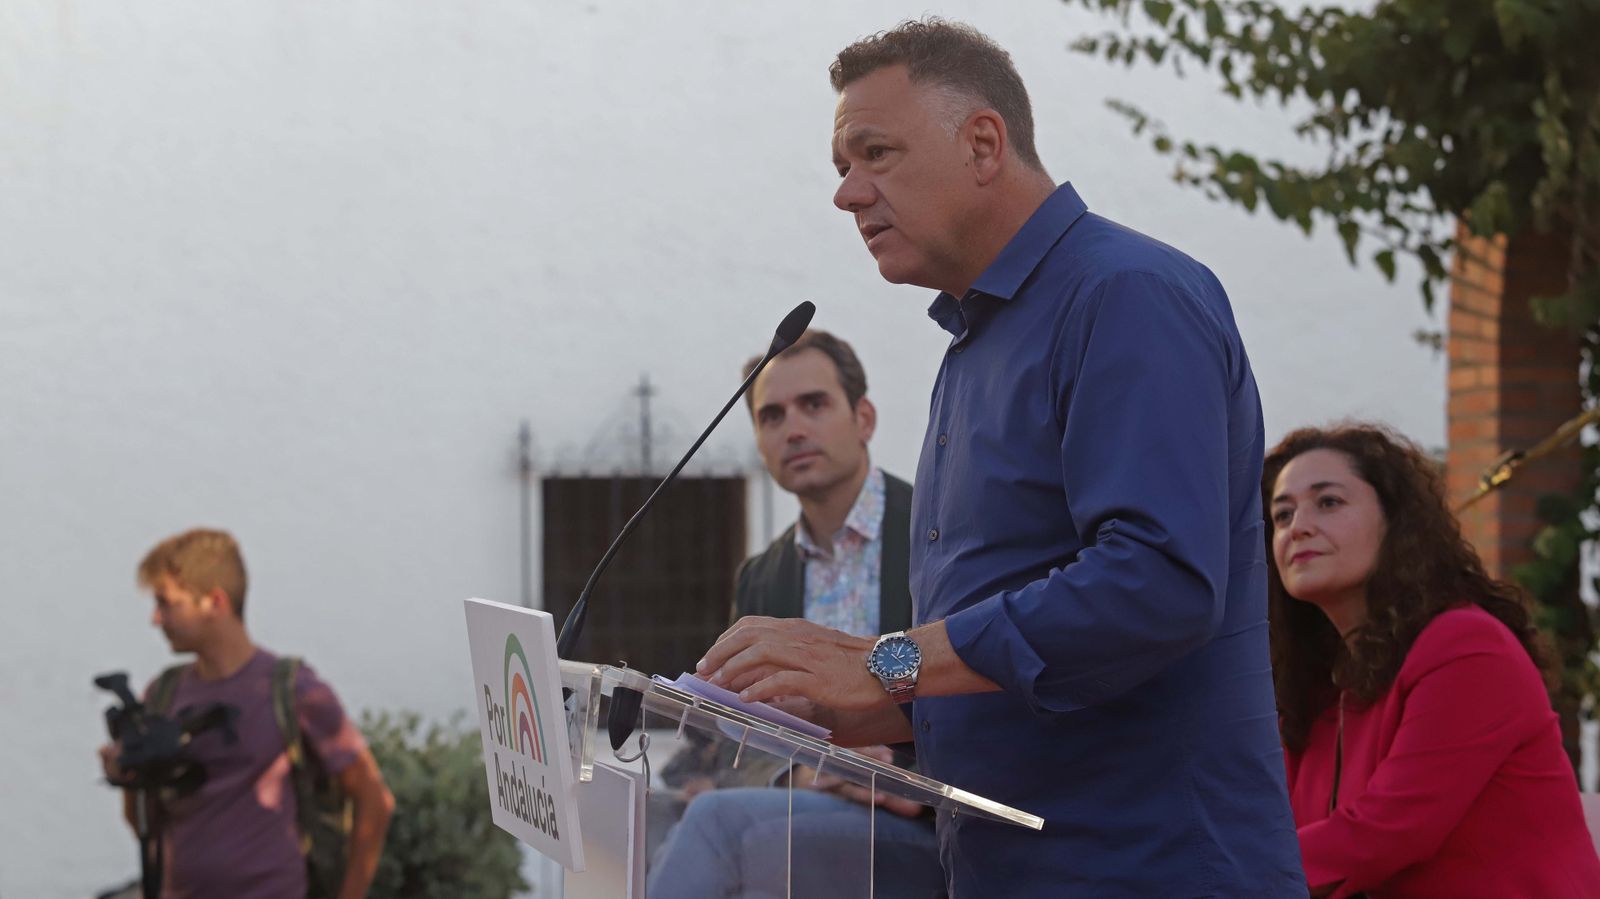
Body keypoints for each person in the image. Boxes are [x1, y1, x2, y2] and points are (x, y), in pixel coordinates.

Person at [694, 18, 1303, 896]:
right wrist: (841, 705)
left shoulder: (1125, 295)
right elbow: (1005, 652)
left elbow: (1155, 583)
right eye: (841, 167)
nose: (848, 194)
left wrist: (884, 663)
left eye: (875, 153)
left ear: (984, 143)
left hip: (1150, 865)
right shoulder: (974, 345)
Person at [649, 330, 943, 898]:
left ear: (864, 418)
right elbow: (743, 734)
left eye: (814, 404)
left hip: (929, 823)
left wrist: (899, 774)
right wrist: (807, 773)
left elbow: (982, 675)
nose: (794, 429)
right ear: (760, 442)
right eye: (772, 416)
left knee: (713, 826)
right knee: (656, 819)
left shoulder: (937, 533)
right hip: (805, 815)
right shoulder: (761, 578)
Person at [1265, 424, 1600, 897]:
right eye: (1281, 515)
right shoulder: (1314, 685)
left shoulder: (1467, 648)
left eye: (1329, 502)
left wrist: (1219, 877)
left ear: (1395, 523)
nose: (1297, 526)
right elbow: (1269, 824)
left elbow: (1388, 831)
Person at [98, 528, 394, 899]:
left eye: (167, 603)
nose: (156, 619)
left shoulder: (292, 690)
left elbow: (374, 801)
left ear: (214, 603)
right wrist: (129, 775)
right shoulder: (164, 694)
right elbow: (148, 825)